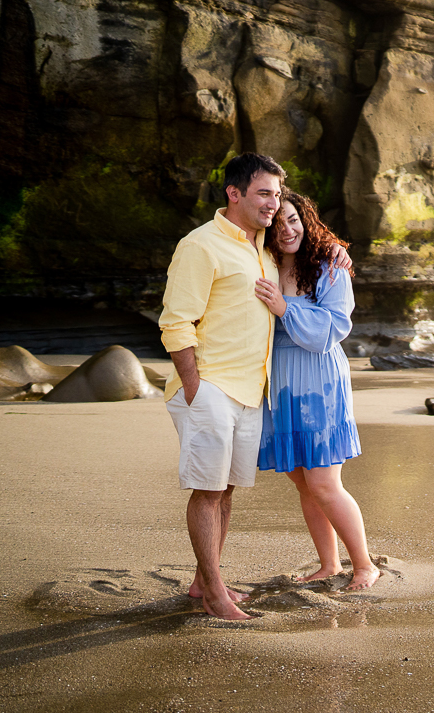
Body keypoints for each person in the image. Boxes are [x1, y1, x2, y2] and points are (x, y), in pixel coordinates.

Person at [159, 153, 286, 620]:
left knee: (226, 489)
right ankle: (214, 594)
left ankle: (203, 580)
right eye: (264, 193)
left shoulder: (265, 250)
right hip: (210, 386)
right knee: (208, 492)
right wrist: (195, 388)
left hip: (250, 390)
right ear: (234, 193)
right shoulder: (200, 245)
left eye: (277, 194)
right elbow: (175, 321)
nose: (273, 203)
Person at [253, 191, 379, 590]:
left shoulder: (328, 264)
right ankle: (330, 565)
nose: (287, 229)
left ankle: (364, 565)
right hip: (280, 381)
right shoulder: (264, 264)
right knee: (303, 481)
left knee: (325, 482)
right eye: (278, 223)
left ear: (306, 220)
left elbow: (335, 326)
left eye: (294, 219)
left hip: (318, 379)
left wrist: (285, 309)